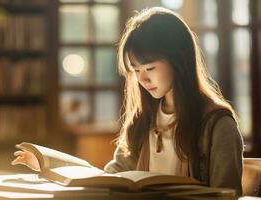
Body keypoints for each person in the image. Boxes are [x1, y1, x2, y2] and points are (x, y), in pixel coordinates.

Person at [103, 7, 244, 196]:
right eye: (136, 71)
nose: (142, 79)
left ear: (178, 60)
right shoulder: (143, 120)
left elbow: (227, 195)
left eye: (150, 68)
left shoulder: (218, 125)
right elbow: (115, 175)